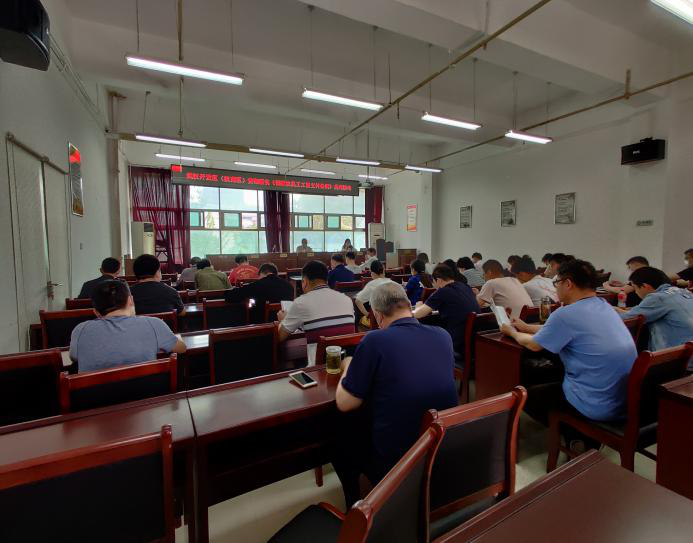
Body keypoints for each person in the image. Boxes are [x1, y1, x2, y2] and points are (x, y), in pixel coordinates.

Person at [334, 281, 458, 507]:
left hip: (399, 461)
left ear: (378, 315)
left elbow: (345, 403)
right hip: (441, 446)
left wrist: (348, 366)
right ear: (409, 306)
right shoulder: (443, 335)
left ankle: (359, 508)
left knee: (340, 441)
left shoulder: (374, 340)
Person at [500, 259, 637, 428]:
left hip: (593, 404)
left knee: (524, 397)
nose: (555, 287)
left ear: (568, 284)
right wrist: (527, 327)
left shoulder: (566, 314)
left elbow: (534, 345)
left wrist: (512, 332)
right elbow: (558, 329)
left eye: (556, 283)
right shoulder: (604, 306)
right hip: (623, 402)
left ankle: (574, 433)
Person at [69, 280, 186, 372]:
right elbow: (182, 348)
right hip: (148, 392)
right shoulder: (153, 323)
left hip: (95, 395)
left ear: (96, 312)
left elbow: (74, 357)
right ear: (130, 300)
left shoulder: (80, 329)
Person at [277, 261, 354, 364]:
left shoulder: (301, 302)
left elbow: (280, 337)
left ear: (305, 282)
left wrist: (282, 320)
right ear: (326, 279)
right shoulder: (347, 299)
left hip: (318, 368)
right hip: (347, 364)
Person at [617, 267, 693, 369]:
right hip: (687, 354)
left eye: (635, 288)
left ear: (645, 286)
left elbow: (626, 319)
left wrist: (609, 310)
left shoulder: (657, 297)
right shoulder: (684, 292)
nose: (635, 292)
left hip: (679, 364)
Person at [413, 263, 480, 354]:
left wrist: (418, 305)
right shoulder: (465, 286)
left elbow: (418, 314)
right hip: (473, 342)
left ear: (438, 280)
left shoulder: (442, 291)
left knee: (422, 333)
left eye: (433, 282)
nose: (434, 285)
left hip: (455, 343)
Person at [225, 262, 294, 323]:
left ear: (261, 273)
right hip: (284, 323)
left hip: (262, 325)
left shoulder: (258, 284)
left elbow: (231, 296)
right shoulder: (289, 286)